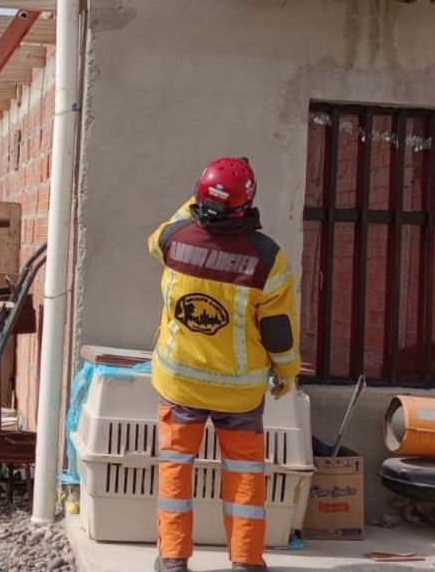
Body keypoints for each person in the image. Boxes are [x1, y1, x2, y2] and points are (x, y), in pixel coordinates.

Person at [148, 157, 301, 572]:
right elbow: (278, 331)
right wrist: (286, 372)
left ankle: (173, 560)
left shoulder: (172, 240)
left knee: (176, 473)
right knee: (245, 475)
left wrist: (199, 197)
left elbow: (168, 227)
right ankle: (247, 562)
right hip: (239, 394)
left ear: (198, 196)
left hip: (179, 385)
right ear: (246, 203)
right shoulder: (267, 259)